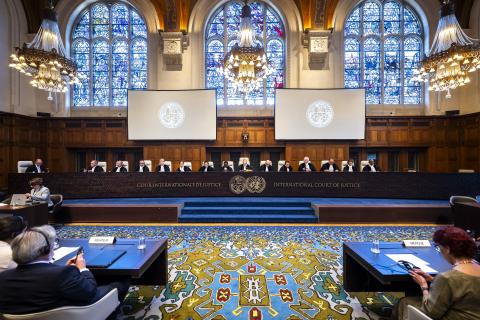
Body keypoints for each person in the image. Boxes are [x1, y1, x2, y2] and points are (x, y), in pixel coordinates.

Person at [0, 225, 129, 315]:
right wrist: (82, 268)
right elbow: (90, 292)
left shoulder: (3, 277)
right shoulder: (62, 274)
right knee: (120, 281)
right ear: (44, 250)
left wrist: (67, 270)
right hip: (75, 313)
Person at [393, 226, 480, 320]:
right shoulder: (476, 266)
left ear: (447, 249)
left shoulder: (447, 278)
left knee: (405, 302)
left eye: (439, 248)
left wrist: (424, 286)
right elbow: (466, 287)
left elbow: (429, 312)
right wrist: (432, 279)